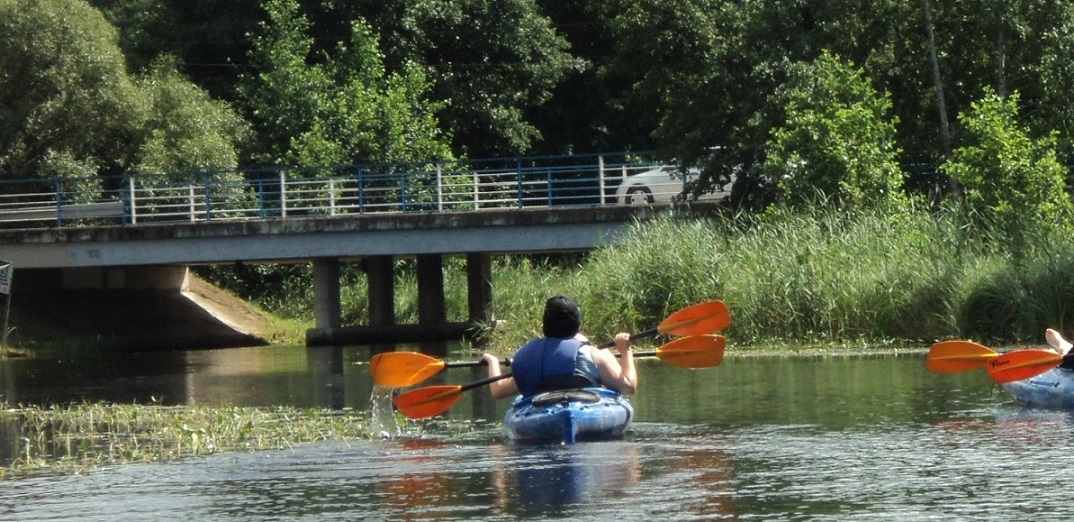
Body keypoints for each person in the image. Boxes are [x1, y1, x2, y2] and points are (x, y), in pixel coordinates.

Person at [481, 295, 637, 399]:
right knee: (607, 354)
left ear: (545, 323)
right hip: (586, 406)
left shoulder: (529, 358)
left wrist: (492, 361)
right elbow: (628, 388)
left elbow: (498, 390)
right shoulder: (594, 354)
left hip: (542, 412)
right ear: (577, 323)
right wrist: (626, 351)